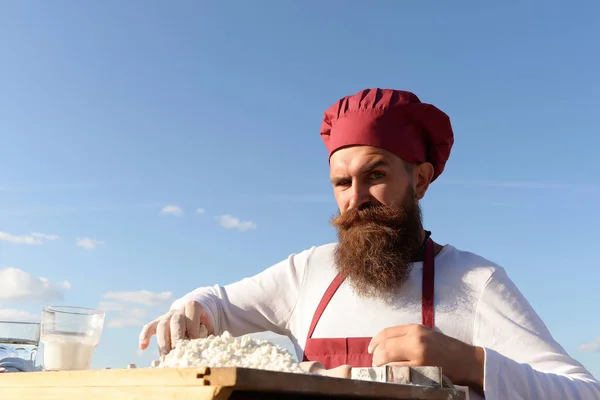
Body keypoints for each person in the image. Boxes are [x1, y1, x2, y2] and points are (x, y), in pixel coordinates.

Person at [138, 88, 600, 399]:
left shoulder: (476, 281)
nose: (355, 199)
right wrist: (192, 308)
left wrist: (468, 361)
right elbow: (216, 305)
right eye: (342, 183)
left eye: (375, 175)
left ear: (419, 180)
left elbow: (583, 390)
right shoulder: (309, 272)